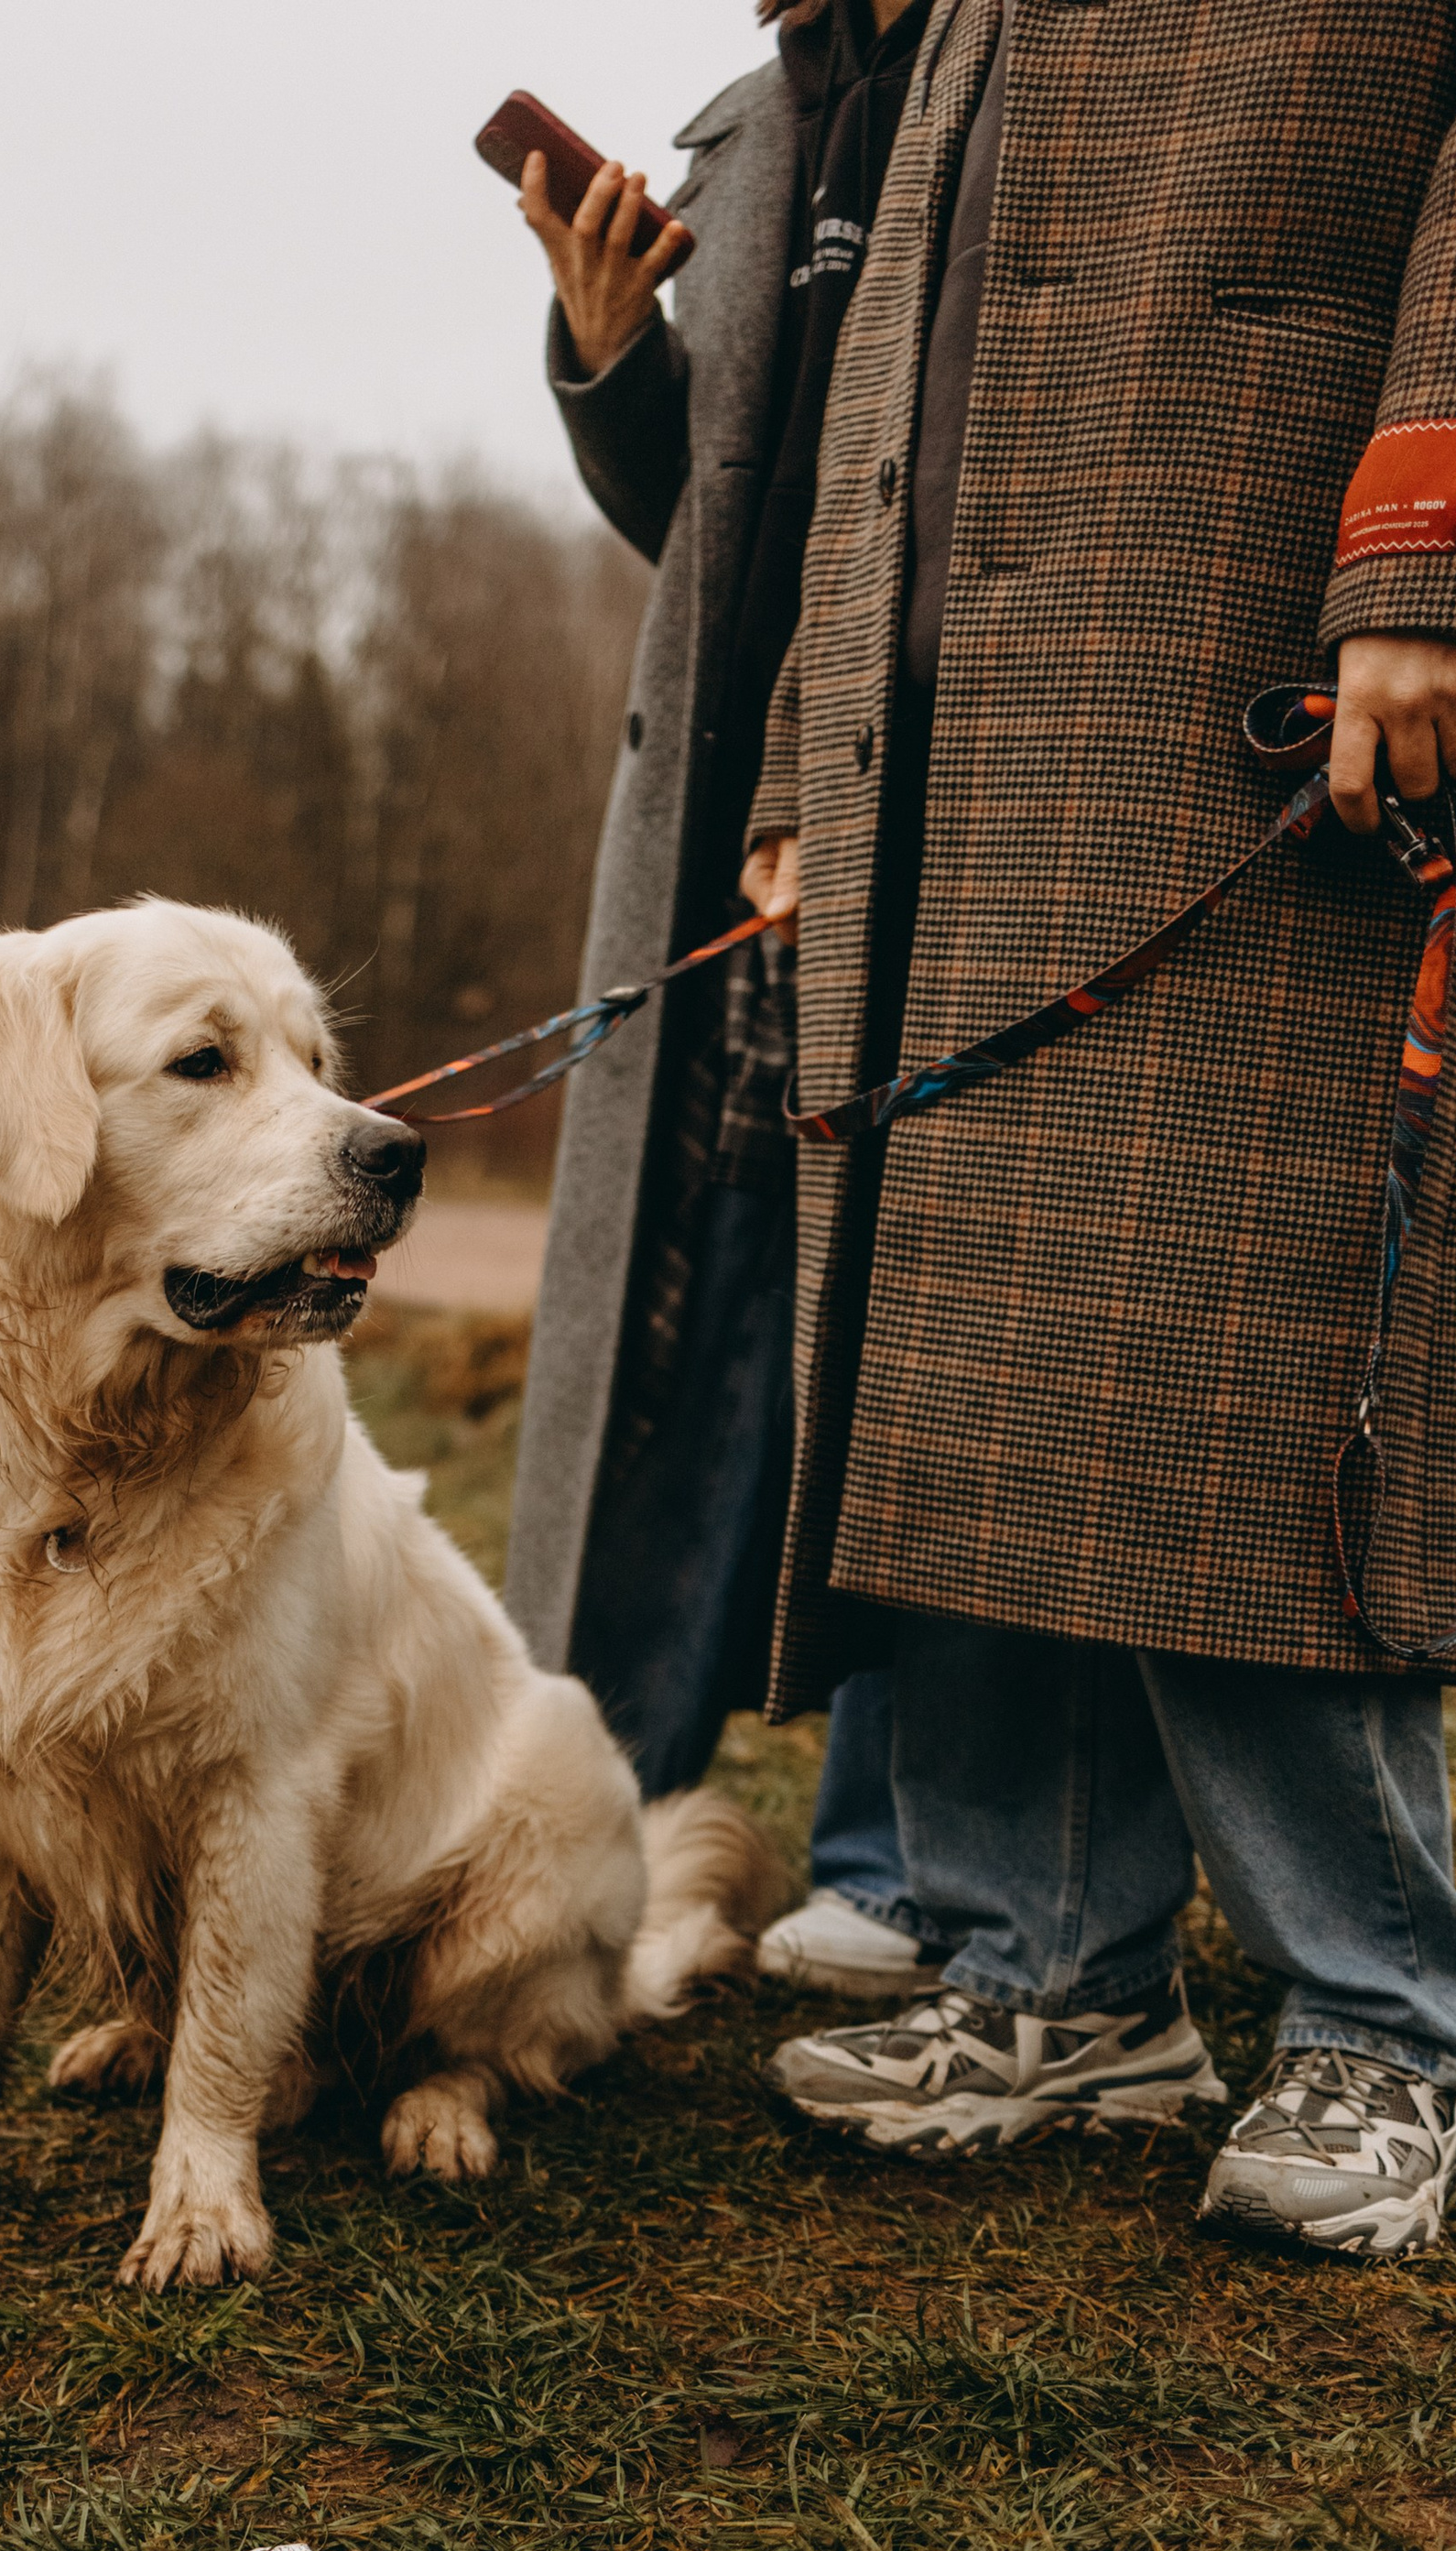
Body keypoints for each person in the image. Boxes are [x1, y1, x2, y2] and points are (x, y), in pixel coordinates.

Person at [746, 0, 1456, 2259]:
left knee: (1222, 1370)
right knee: (972, 1366)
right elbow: (902, 350)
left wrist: (1430, 558)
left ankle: (1397, 2032)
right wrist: (809, 753)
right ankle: (1050, 1978)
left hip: (1246, 659)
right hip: (961, 740)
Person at [500, 0, 951, 2008]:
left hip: (958, 797)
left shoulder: (1008, 80)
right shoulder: (762, 126)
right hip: (737, 843)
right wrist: (610, 356)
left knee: (919, 1326)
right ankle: (601, 1808)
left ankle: (903, 1855)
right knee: (711, 1314)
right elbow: (716, 528)